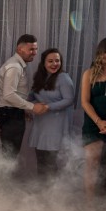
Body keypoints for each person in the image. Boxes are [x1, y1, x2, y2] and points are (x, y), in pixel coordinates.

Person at [80, 38, 106, 206]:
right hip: (93, 124)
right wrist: (99, 122)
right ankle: (89, 205)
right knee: (92, 164)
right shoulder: (89, 74)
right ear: (100, 52)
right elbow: (85, 102)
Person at [0, 34, 47, 161]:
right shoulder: (14, 67)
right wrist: (32, 107)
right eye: (31, 49)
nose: (35, 53)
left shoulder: (17, 65)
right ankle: (3, 175)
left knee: (10, 155)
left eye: (36, 49)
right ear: (20, 49)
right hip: (10, 114)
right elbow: (9, 95)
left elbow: (16, 93)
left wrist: (23, 109)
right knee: (9, 156)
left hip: (11, 112)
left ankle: (5, 174)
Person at [27, 48, 75, 177]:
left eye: (57, 61)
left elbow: (69, 100)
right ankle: (41, 189)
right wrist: (28, 107)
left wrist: (48, 107)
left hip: (56, 126)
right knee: (41, 161)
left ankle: (53, 190)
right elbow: (31, 96)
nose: (55, 64)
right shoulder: (39, 77)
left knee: (51, 163)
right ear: (43, 63)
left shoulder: (63, 78)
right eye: (50, 61)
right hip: (41, 125)